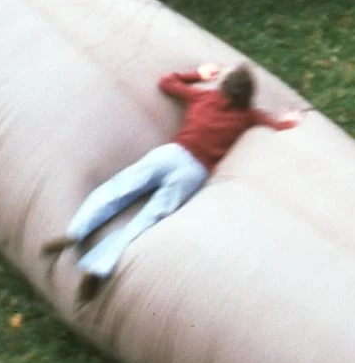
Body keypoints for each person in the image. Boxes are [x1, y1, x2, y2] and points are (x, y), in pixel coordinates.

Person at [41, 62, 302, 303]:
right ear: (247, 96)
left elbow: (166, 82)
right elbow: (274, 124)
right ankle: (99, 266)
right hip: (194, 172)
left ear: (223, 86)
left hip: (171, 153)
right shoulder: (248, 116)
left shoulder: (205, 97)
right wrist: (289, 121)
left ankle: (75, 232)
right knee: (149, 218)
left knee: (117, 190)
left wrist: (198, 74)